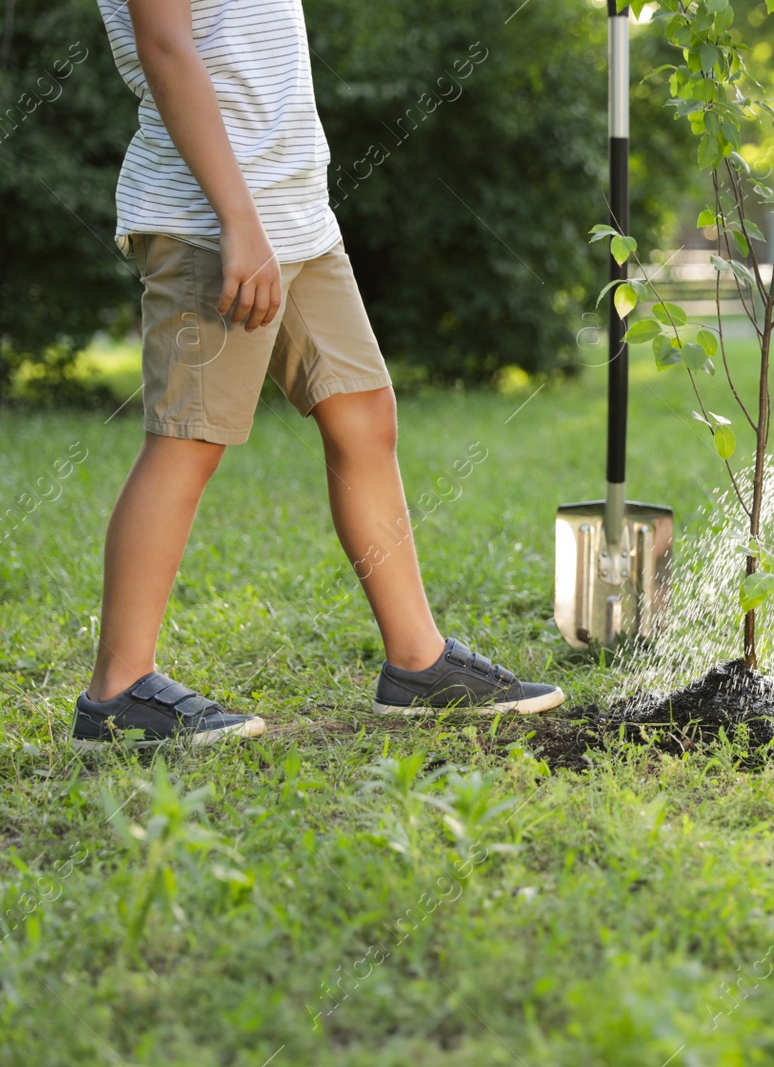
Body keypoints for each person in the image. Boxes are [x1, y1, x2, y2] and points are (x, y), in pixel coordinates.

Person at [72, 0, 563, 750]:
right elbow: (166, 48)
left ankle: (417, 663)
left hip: (297, 217)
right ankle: (117, 692)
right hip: (215, 219)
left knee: (363, 414)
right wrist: (240, 223)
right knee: (188, 439)